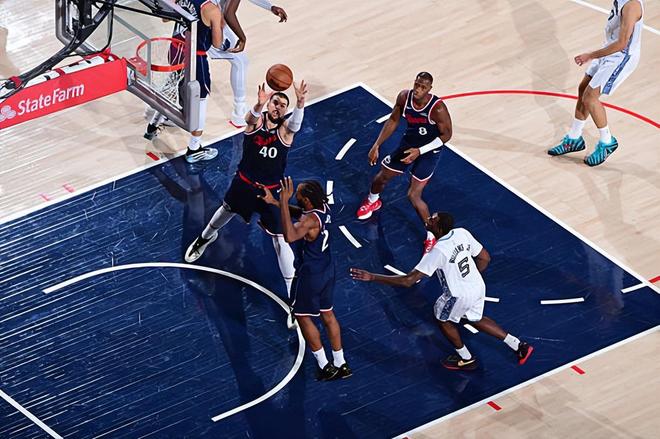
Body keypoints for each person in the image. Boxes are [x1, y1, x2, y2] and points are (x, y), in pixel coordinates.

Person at [184, 80, 307, 324]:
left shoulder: (285, 131)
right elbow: (249, 119)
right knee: (226, 210)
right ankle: (205, 237)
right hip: (244, 183)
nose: (278, 107)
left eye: (283, 105)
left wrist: (301, 102)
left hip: (271, 191)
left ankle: (294, 298)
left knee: (280, 239)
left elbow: (296, 124)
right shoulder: (256, 123)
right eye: (275, 102)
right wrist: (259, 104)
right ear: (269, 104)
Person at [350, 212, 534, 371]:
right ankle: (518, 345)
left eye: (432, 219)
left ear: (438, 228)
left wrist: (373, 277)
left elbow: (408, 281)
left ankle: (466, 358)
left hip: (457, 295)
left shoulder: (439, 251)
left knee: (442, 319)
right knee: (475, 318)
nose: (428, 219)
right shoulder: (462, 233)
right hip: (478, 286)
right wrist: (470, 278)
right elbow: (485, 258)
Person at [261, 177, 352, 381]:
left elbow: (290, 236)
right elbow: (302, 214)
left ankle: (324, 366)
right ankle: (341, 363)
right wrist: (274, 202)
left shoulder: (309, 221)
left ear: (307, 200)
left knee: (302, 316)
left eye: (299, 195)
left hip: (311, 274)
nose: (296, 196)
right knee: (328, 314)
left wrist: (283, 201)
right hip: (327, 269)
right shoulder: (323, 209)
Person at [356, 72, 453, 253]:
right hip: (409, 145)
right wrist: (377, 145)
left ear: (429, 89)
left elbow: (447, 135)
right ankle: (372, 201)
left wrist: (420, 151)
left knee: (413, 195)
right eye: (417, 85)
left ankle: (431, 236)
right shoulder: (404, 97)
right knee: (381, 177)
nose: (418, 89)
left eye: (423, 87)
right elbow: (394, 119)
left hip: (429, 152)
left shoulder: (437, 108)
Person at [548, 0, 644, 166]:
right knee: (583, 88)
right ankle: (574, 138)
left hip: (621, 57)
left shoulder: (632, 6)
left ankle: (607, 142)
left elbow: (622, 43)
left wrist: (590, 55)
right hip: (609, 49)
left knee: (590, 98)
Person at [144, 0, 223, 164]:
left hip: (175, 49)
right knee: (200, 100)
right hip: (194, 57)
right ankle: (195, 149)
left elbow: (165, 18)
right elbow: (217, 43)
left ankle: (153, 126)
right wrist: (220, 24)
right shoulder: (212, 9)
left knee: (172, 87)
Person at [208, 0, 288, 127]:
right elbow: (229, 14)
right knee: (240, 61)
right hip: (207, 23)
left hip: (194, 15)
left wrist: (270, 6)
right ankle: (239, 112)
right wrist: (242, 38)